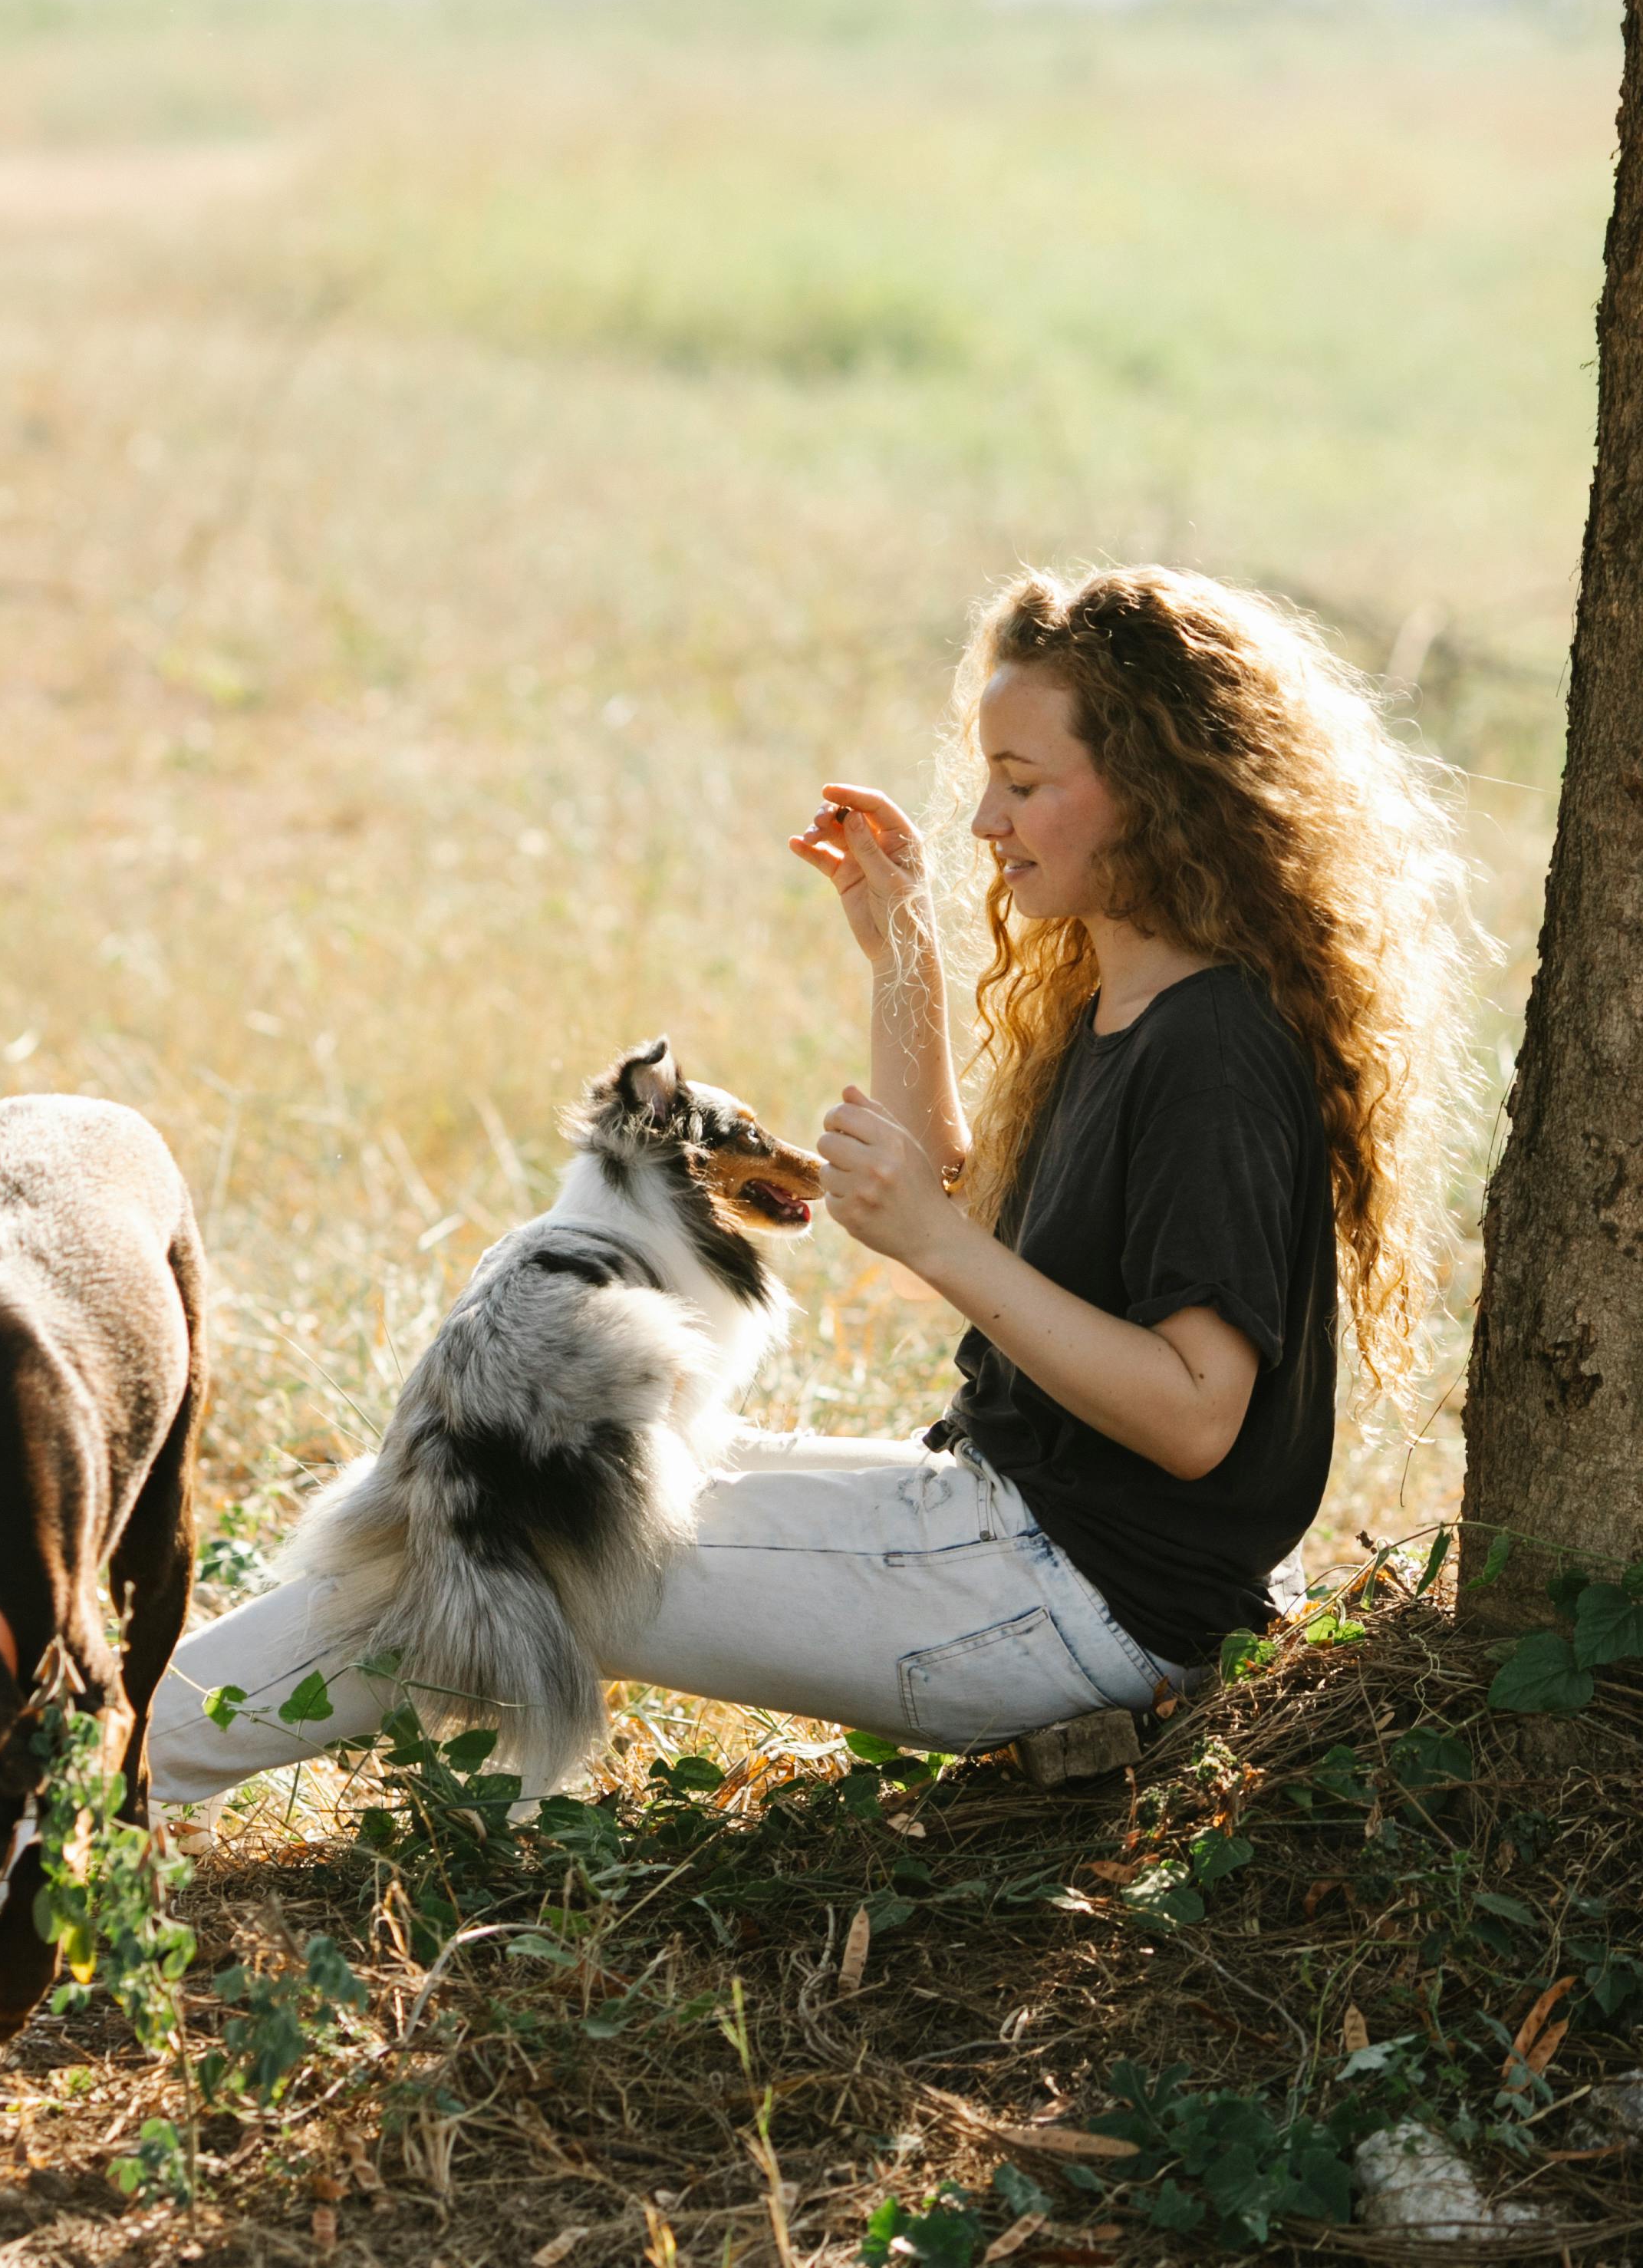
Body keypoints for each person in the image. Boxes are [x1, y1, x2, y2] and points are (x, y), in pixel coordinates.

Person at [144, 565, 1473, 1806]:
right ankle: (105, 1755)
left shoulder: (1216, 1049)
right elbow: (962, 1186)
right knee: (514, 1483)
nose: (982, 821)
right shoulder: (1127, 996)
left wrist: (940, 1245)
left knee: (503, 1540)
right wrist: (902, 949)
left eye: (1021, 782)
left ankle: (87, 1791)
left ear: (1155, 790)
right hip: (1005, 1532)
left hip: (1070, 1599)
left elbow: (1194, 1416)